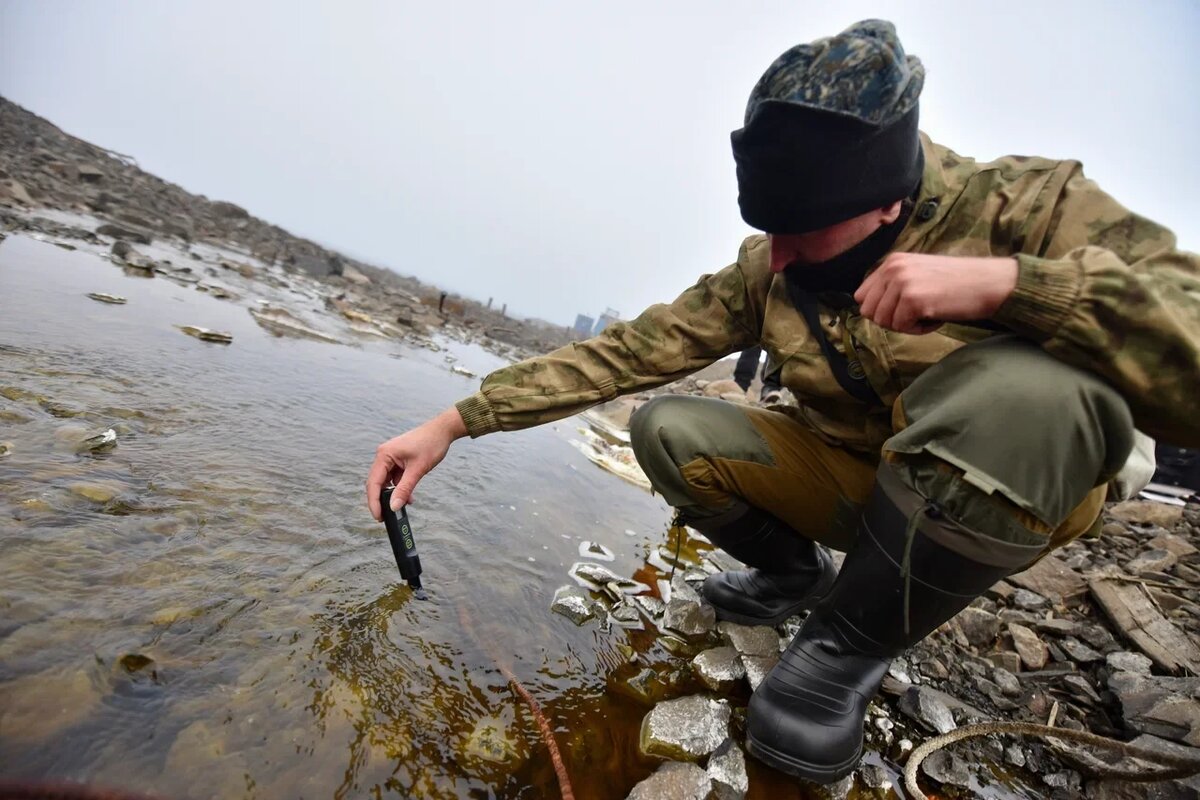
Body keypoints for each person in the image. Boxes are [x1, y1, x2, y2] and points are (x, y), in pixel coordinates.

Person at [366, 20, 1200, 783]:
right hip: (850, 480)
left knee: (1033, 392)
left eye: (805, 235)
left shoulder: (1029, 208)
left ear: (886, 202)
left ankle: (845, 648)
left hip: (988, 499)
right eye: (771, 231)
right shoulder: (770, 265)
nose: (783, 258)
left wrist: (1018, 289)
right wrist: (452, 423)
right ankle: (796, 573)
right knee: (667, 429)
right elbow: (626, 352)